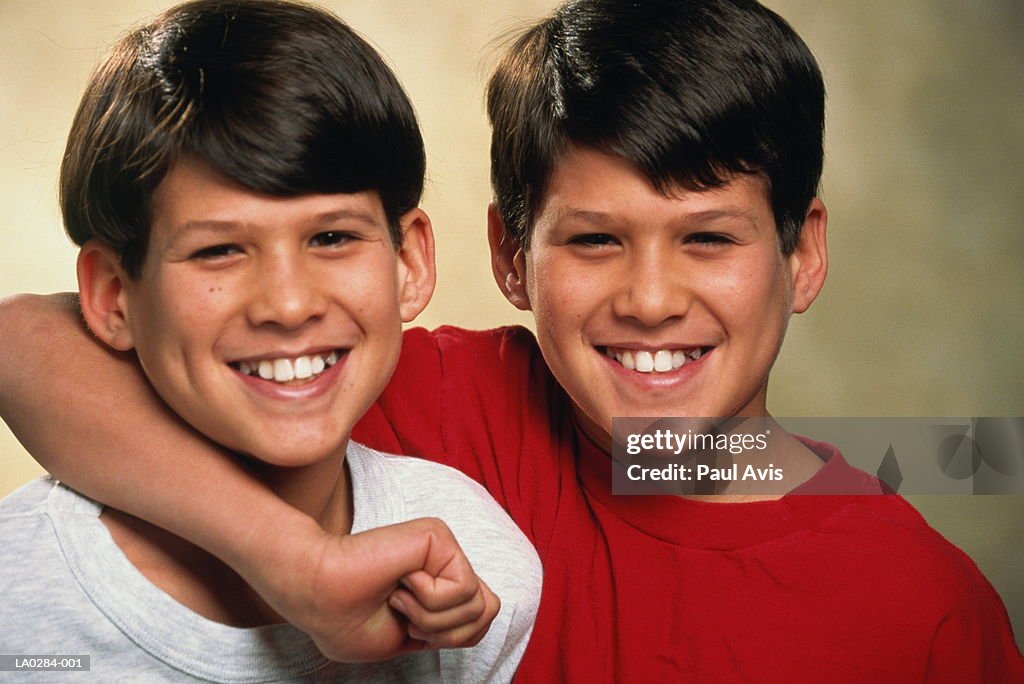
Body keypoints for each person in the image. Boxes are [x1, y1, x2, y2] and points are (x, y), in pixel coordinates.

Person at [1, 0, 1021, 680]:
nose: (652, 298)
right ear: (508, 254)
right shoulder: (440, 401)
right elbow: (27, 343)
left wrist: (947, 452)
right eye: (593, 241)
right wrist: (292, 560)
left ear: (800, 258)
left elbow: (736, 467)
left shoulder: (921, 609)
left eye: (708, 238)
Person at [0, 1, 541, 681]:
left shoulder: (477, 572)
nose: (287, 304)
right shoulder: (17, 604)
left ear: (410, 264)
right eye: (220, 250)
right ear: (114, 294)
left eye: (332, 237)